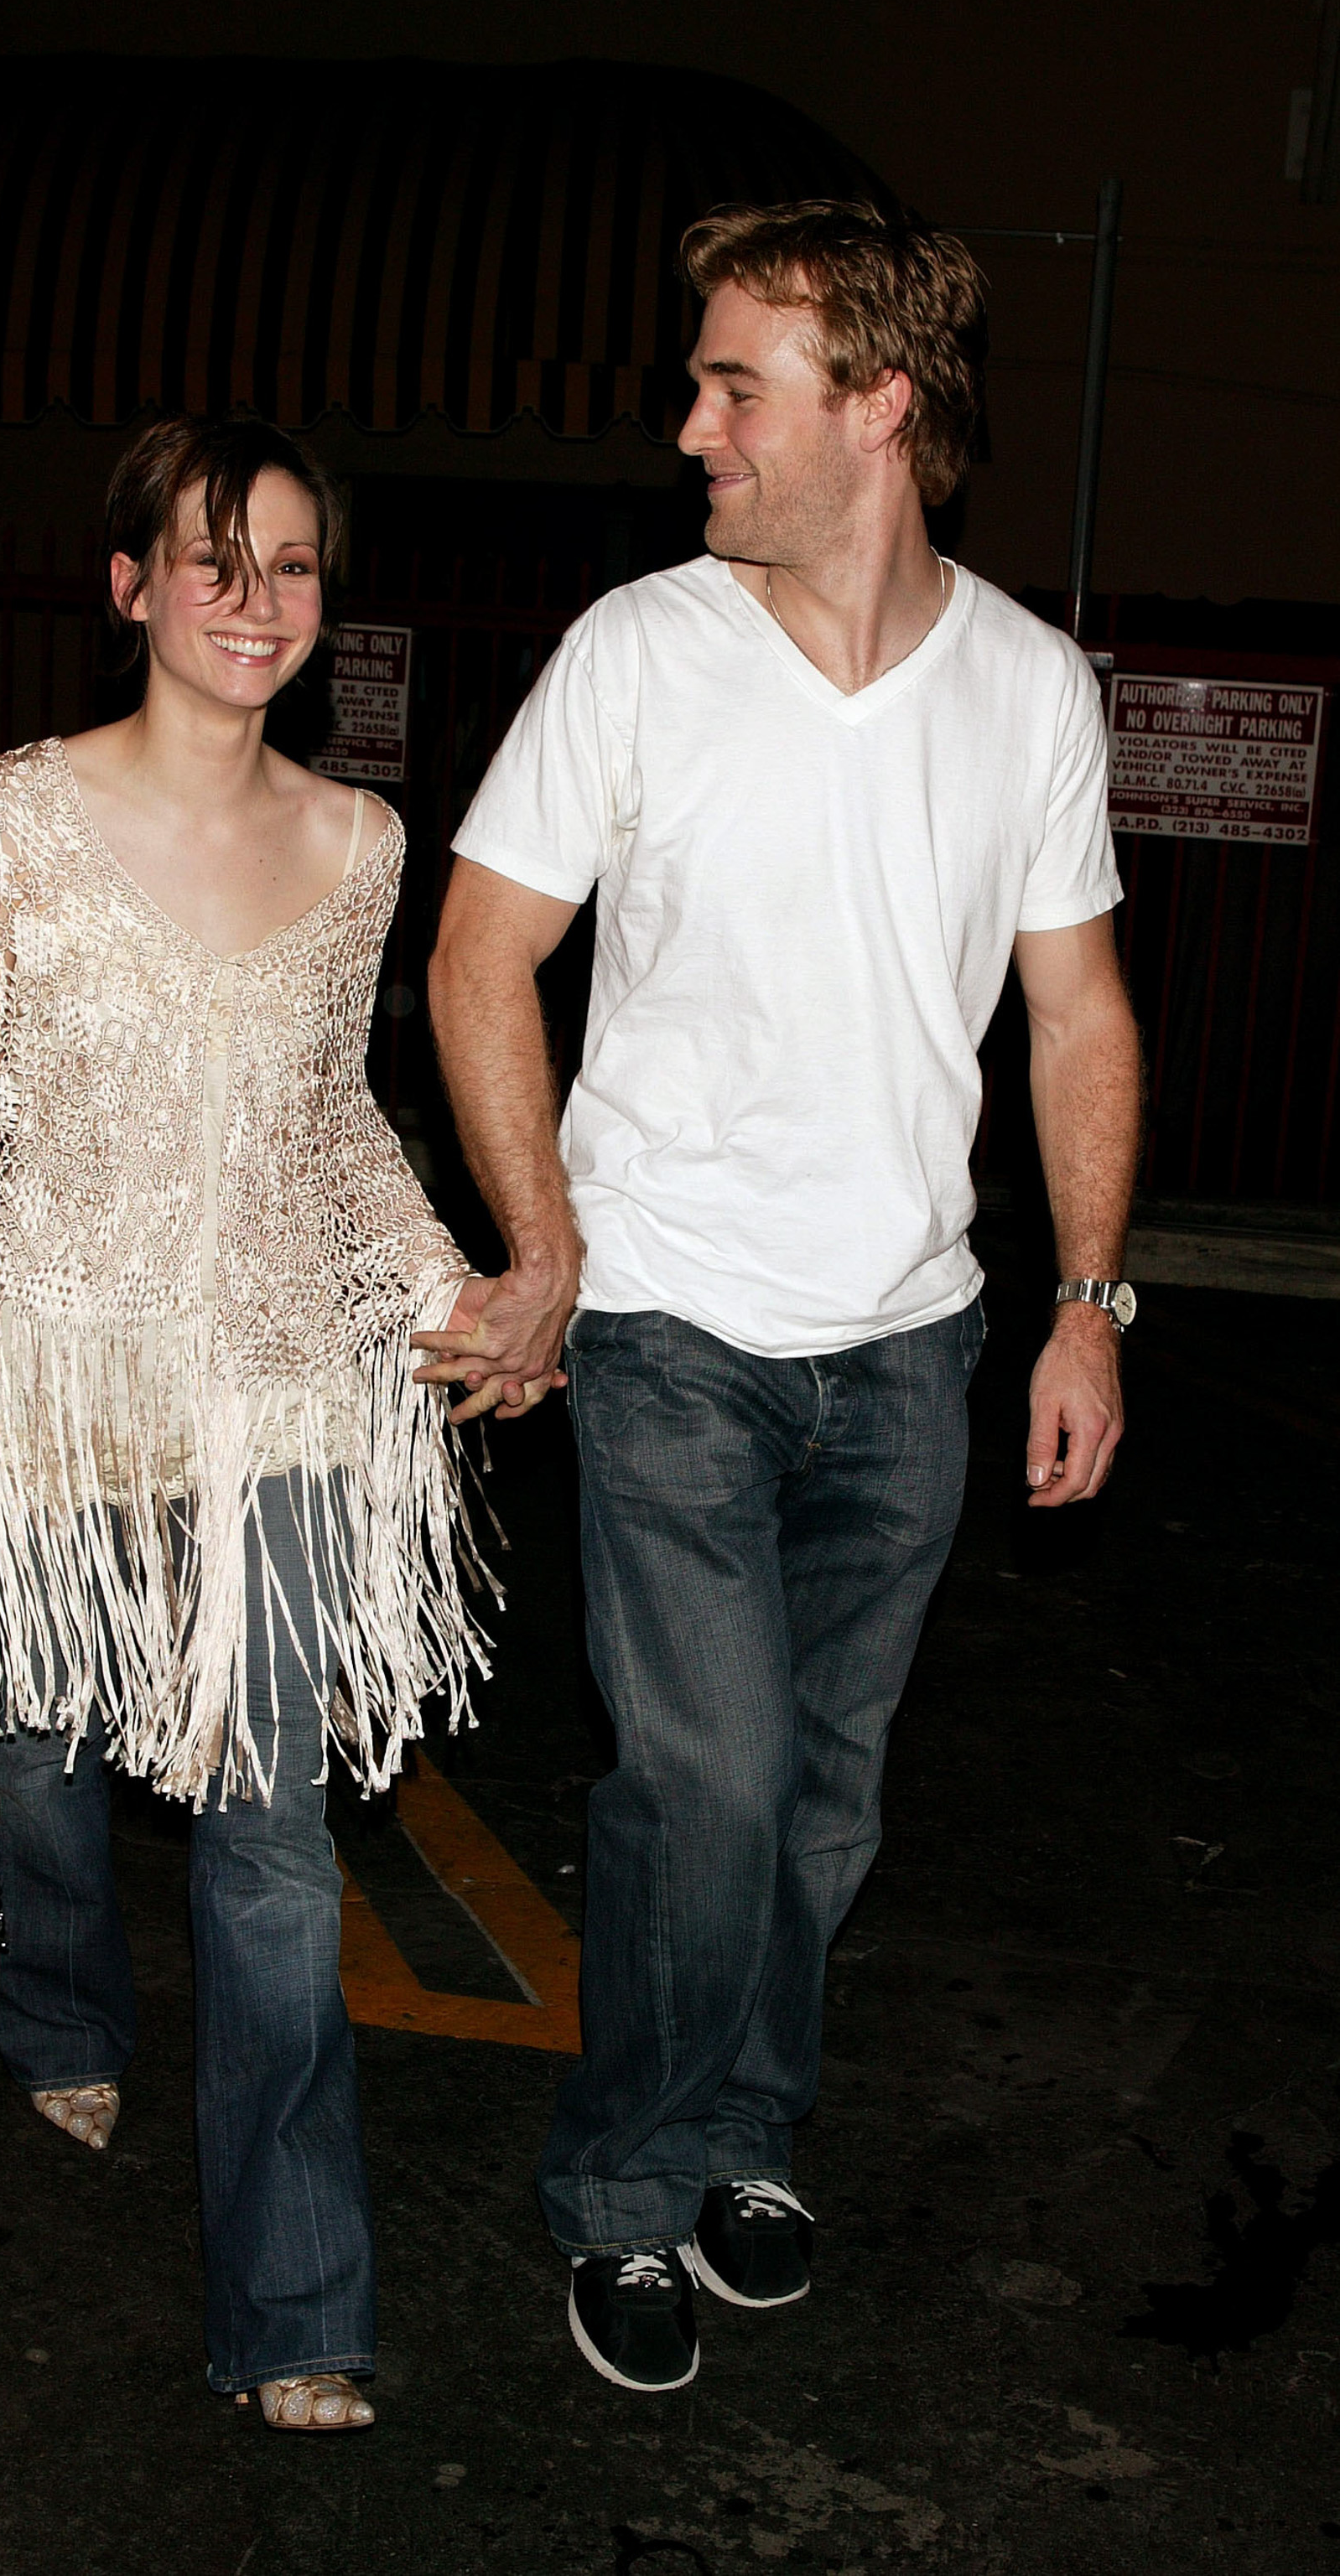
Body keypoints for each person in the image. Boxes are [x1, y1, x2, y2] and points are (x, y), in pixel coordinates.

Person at [417, 199, 1142, 2393]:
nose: (690, 425)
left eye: (737, 384)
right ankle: (625, 2186)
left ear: (877, 403)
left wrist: (1089, 1296)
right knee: (706, 1787)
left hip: (910, 1345)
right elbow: (476, 957)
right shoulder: (640, 650)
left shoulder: (1026, 684)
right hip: (671, 1338)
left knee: (822, 1800)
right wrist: (545, 1252)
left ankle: (747, 2128)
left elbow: (1081, 1009)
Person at [0, 413, 507, 2433]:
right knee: (40, 1751)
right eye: (214, 558)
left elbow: (334, 1120)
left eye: (291, 564)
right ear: (131, 586)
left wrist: (442, 1284)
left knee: (273, 1847)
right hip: (47, 1375)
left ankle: (299, 2302)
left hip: (279, 1393)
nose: (253, 597)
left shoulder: (364, 840)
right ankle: (58, 1996)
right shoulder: (11, 820)